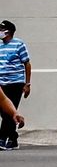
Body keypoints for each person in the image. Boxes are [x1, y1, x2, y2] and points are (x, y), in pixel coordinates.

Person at [0, 19, 29, 151]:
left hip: (16, 83)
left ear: (8, 31)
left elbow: (27, 64)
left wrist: (27, 83)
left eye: (2, 30)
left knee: (8, 114)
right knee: (5, 112)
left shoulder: (19, 44)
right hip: (2, 83)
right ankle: (13, 138)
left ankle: (2, 138)